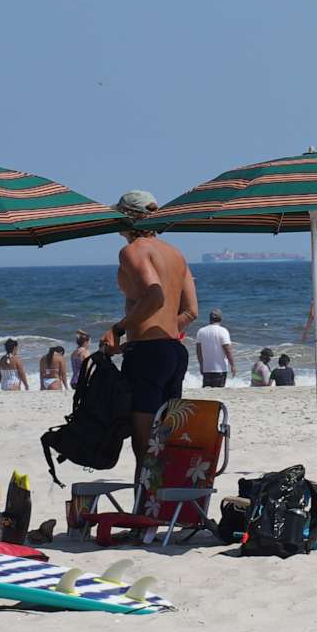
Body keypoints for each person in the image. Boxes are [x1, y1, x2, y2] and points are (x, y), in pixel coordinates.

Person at [97, 189, 200, 454]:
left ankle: (144, 497)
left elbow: (154, 296)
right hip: (174, 353)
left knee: (144, 448)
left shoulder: (132, 251)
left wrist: (119, 329)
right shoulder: (176, 254)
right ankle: (165, 496)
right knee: (165, 443)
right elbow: (191, 311)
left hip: (147, 355)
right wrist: (161, 334)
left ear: (128, 217)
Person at [195, 310, 235, 389]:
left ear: (209, 319)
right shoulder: (223, 331)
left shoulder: (201, 331)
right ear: (221, 319)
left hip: (206, 368)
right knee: (218, 391)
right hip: (220, 369)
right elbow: (228, 350)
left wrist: (201, 365)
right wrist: (233, 365)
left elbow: (198, 351)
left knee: (206, 392)